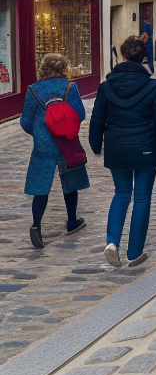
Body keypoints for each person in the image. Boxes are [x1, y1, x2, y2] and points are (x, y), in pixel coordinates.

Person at [89, 35, 156, 268]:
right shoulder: (153, 87)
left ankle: (112, 241)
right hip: (146, 147)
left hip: (117, 147)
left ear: (123, 56)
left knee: (122, 193)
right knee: (142, 198)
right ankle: (134, 252)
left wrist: (96, 145)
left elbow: (97, 119)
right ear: (143, 57)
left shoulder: (106, 87)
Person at [20, 54, 88, 248]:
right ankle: (72, 220)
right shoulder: (69, 87)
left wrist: (40, 131)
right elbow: (80, 114)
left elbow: (25, 121)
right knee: (70, 180)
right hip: (66, 141)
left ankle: (36, 227)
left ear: (43, 69)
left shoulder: (33, 90)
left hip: (43, 143)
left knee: (41, 186)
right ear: (63, 69)